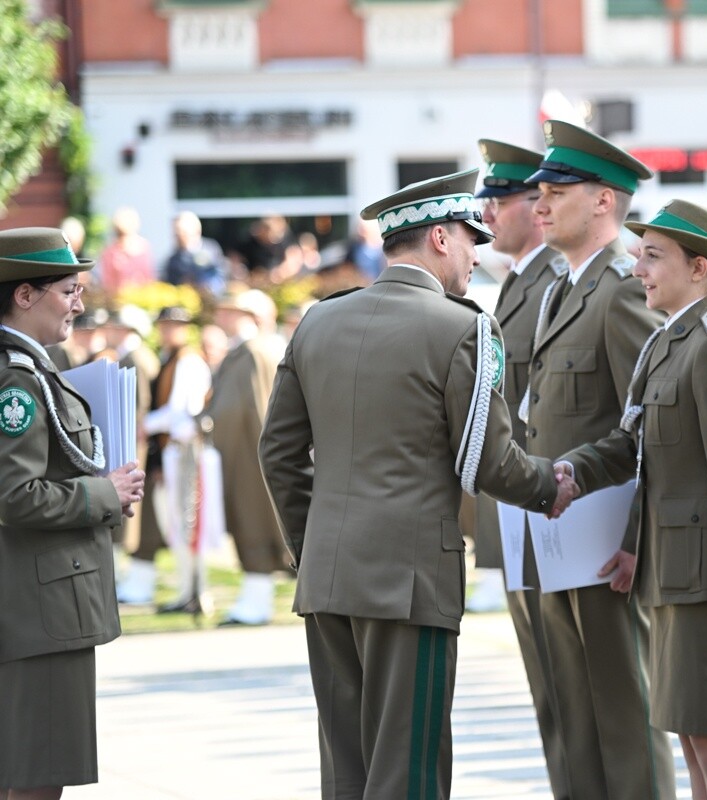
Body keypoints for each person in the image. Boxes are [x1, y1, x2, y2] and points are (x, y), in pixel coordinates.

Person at [258, 168, 575, 799]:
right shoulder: (463, 327)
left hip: (328, 578)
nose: (472, 258)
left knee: (347, 768)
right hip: (409, 581)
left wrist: (315, 540)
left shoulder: (318, 321)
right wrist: (549, 486)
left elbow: (279, 454)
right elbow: (487, 459)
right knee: (410, 770)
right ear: (438, 237)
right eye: (468, 240)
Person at [556, 200, 707, 799]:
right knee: (691, 738)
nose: (639, 268)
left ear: (699, 266)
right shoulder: (666, 344)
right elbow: (641, 455)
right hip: (674, 576)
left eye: (653, 256)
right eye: (639, 255)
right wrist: (574, 473)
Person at [521, 119, 675, 800]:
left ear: (605, 200)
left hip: (607, 540)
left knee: (624, 713)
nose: (540, 204)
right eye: (539, 192)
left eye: (557, 190)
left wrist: (640, 537)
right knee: (575, 712)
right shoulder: (564, 285)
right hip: (558, 534)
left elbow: (653, 426)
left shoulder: (620, 289)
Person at [0, 227, 145, 798]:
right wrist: (104, 495)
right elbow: (14, 495)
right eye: (68, 289)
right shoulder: (18, 381)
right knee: (36, 780)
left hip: (33, 607)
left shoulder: (29, 370)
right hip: (38, 614)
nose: (80, 304)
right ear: (24, 295)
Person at [468, 137, 572, 796]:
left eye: (497, 200)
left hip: (557, 504)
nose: (485, 213)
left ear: (536, 208)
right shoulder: (520, 284)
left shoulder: (552, 281)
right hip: (522, 506)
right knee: (553, 693)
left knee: (582, 692)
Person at [194, 290, 289, 625]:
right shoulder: (244, 350)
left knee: (255, 525)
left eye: (231, 312)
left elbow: (258, 408)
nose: (222, 317)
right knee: (246, 524)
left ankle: (257, 601)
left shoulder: (255, 350)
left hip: (251, 457)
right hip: (238, 455)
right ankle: (253, 597)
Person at [124, 307, 217, 613]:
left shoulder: (188, 360)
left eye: (174, 326)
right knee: (179, 526)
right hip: (173, 450)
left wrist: (144, 425)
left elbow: (180, 411)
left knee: (188, 524)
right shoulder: (170, 359)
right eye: (164, 325)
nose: (168, 331)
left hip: (187, 449)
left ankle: (196, 593)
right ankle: (187, 591)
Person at [101, 306, 160, 595]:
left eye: (113, 325)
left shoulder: (136, 357)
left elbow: (139, 412)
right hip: (136, 447)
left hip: (136, 448)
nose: (107, 331)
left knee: (135, 520)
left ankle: (137, 582)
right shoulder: (133, 355)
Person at [162, 211, 227, 296]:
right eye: (176, 234)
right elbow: (169, 284)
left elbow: (221, 275)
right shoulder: (173, 260)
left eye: (182, 233)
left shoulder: (211, 249)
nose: (178, 237)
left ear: (196, 231)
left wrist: (209, 287)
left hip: (210, 299)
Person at [97, 207, 155, 296]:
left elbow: (149, 279)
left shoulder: (144, 248)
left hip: (141, 298)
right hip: (117, 301)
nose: (123, 238)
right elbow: (107, 284)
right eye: (119, 234)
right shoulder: (110, 253)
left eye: (126, 234)